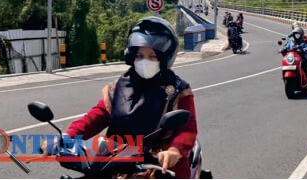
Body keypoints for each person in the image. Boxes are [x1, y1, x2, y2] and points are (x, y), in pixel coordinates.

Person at [43, 17, 197, 178]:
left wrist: (174, 150)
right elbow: (98, 115)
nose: (145, 61)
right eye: (140, 55)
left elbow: (188, 130)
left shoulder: (179, 90)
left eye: (152, 56)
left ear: (164, 58)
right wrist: (67, 136)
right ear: (131, 56)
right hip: (116, 159)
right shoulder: (119, 87)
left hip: (159, 163)